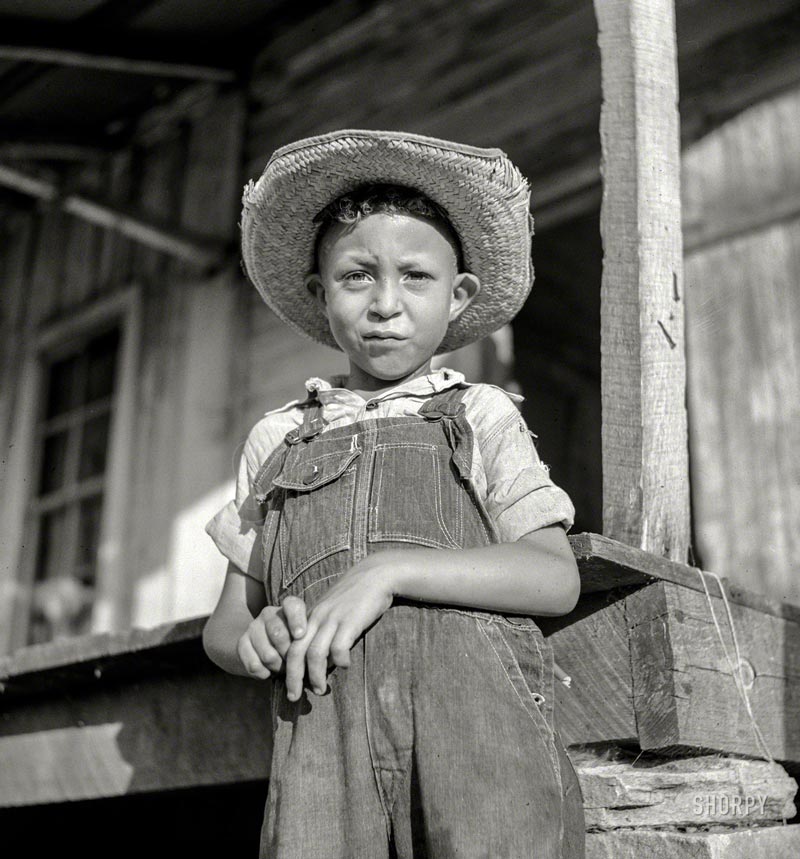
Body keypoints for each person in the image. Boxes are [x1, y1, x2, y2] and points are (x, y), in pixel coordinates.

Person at [203, 129, 585, 858]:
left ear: (457, 294)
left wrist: (388, 570)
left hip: (476, 736)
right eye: (356, 277)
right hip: (320, 739)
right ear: (321, 294)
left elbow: (553, 574)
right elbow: (226, 623)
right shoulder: (277, 439)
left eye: (415, 276)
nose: (385, 303)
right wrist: (252, 642)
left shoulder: (480, 415)